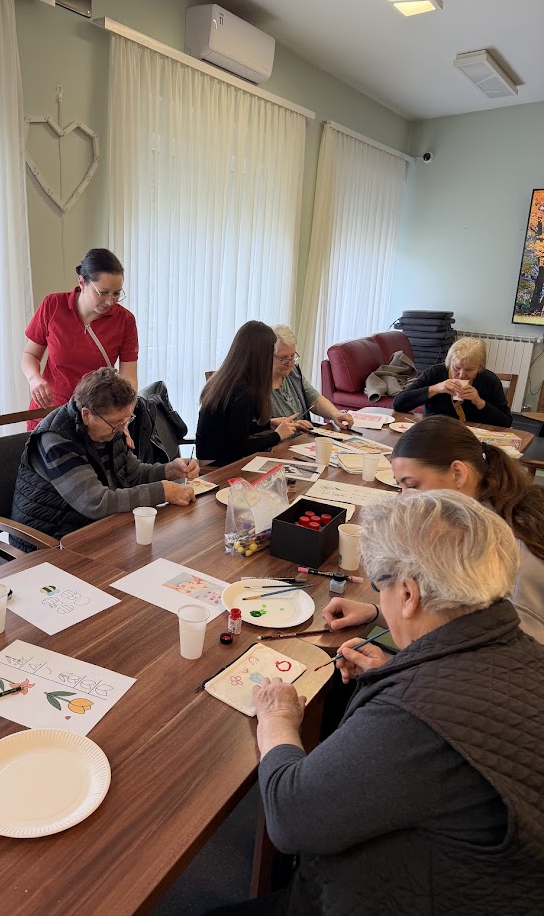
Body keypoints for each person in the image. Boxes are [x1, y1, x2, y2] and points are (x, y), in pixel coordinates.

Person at [216, 492, 544, 916]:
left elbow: (289, 817)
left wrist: (277, 719)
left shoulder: (417, 715)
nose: (379, 600)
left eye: (380, 586)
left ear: (407, 594)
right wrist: (397, 668)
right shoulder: (520, 651)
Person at [324, 415, 544, 642]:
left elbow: (512, 656)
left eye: (413, 485)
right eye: (400, 487)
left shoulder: (508, 556)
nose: (406, 498)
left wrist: (389, 662)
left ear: (458, 473)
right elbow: (459, 621)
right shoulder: (481, 519)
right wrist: (378, 613)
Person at [11, 368, 198, 544]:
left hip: (94, 527)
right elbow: (95, 502)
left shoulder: (109, 427)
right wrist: (162, 492)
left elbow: (132, 474)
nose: (121, 429)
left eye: (126, 420)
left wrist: (169, 470)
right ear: (86, 415)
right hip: (48, 541)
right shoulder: (56, 440)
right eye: (116, 423)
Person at [21, 248, 139, 429]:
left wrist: (124, 419)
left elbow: (128, 379)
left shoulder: (125, 320)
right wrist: (34, 379)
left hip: (95, 415)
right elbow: (30, 354)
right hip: (50, 411)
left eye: (116, 293)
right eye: (103, 292)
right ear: (82, 282)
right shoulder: (53, 305)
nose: (110, 301)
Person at [196, 321, 300, 465]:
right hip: (217, 467)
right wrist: (277, 435)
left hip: (213, 459)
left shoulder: (229, 378)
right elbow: (239, 448)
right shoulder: (242, 390)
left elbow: (234, 430)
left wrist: (268, 425)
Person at [393, 336, 512, 426]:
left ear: (479, 368)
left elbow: (506, 422)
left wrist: (479, 402)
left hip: (471, 438)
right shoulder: (436, 373)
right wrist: (436, 388)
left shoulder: (489, 380)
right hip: (434, 432)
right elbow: (398, 404)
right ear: (449, 363)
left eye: (469, 370)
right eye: (456, 368)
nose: (461, 375)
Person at [271, 325, 354, 432]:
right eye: (283, 358)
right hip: (279, 441)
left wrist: (335, 414)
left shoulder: (293, 373)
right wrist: (293, 425)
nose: (290, 363)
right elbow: (258, 429)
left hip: (302, 438)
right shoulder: (255, 385)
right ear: (267, 356)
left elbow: (315, 400)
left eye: (292, 356)